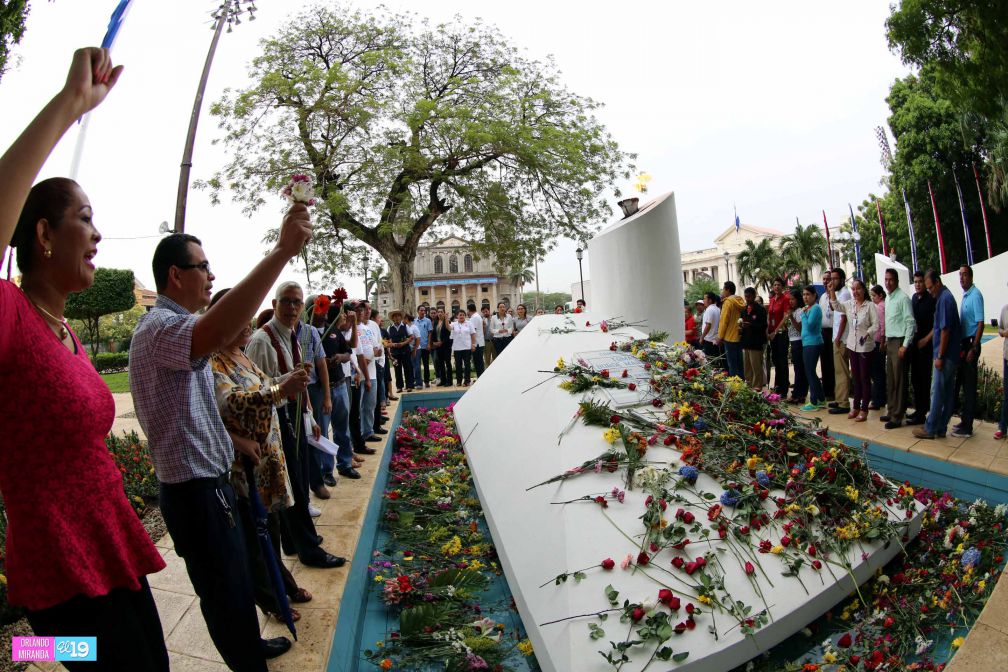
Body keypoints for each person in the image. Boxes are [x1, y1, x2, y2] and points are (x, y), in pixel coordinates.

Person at [0, 47, 170, 672]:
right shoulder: (11, 318)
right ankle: (19, 649)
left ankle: (20, 650)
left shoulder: (64, 331)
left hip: (110, 549)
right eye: (85, 219)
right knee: (107, 662)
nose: (99, 235)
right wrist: (69, 107)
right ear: (42, 237)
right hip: (62, 572)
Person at [132, 217, 313, 666]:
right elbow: (220, 331)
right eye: (204, 267)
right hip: (194, 492)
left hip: (214, 483)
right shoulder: (161, 328)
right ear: (176, 275)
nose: (212, 276)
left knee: (236, 581)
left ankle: (250, 647)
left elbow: (205, 410)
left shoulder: (177, 327)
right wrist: (281, 252)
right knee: (225, 593)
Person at [208, 288, 313, 624]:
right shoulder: (214, 361)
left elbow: (265, 385)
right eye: (241, 317)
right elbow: (231, 401)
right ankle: (271, 600)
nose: (248, 325)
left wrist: (289, 379)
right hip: (246, 468)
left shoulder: (242, 354)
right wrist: (280, 389)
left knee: (273, 528)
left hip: (269, 460)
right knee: (256, 536)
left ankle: (285, 584)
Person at [243, 282, 347, 564]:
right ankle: (309, 549)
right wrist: (286, 386)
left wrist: (308, 414)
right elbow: (254, 392)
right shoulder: (263, 342)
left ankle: (294, 541)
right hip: (275, 418)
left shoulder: (293, 336)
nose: (292, 308)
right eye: (286, 302)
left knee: (296, 480)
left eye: (297, 302)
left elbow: (298, 381)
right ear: (274, 304)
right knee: (296, 485)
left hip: (294, 414)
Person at [913, 269, 961, 440]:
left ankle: (931, 428)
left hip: (945, 356)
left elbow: (945, 330)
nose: (929, 291)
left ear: (938, 283)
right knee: (947, 393)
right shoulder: (943, 297)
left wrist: (940, 356)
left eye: (931, 287)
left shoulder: (945, 299)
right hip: (950, 355)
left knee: (937, 393)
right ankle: (940, 427)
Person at [321, 303, 361, 479]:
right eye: (342, 314)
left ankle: (344, 464)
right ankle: (326, 471)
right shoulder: (314, 333)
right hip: (321, 390)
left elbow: (348, 352)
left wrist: (340, 357)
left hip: (339, 384)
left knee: (342, 428)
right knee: (322, 432)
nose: (345, 316)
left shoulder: (336, 333)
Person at [829, 277, 876, 422]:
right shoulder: (849, 304)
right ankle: (855, 407)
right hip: (852, 345)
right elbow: (836, 306)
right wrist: (831, 291)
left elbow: (876, 325)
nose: (855, 291)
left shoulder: (869, 306)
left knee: (864, 378)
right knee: (855, 378)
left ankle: (864, 409)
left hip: (865, 347)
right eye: (853, 289)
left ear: (863, 290)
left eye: (858, 288)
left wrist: (867, 333)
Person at [302, 299, 332, 501]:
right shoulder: (275, 333)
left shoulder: (309, 331)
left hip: (313, 389)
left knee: (316, 434)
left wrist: (327, 396)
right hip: (291, 390)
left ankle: (318, 481)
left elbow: (321, 365)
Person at [880, 269, 915, 429]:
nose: (888, 282)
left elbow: (910, 323)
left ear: (897, 281)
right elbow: (890, 321)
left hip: (900, 342)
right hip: (891, 341)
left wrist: (905, 345)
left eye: (891, 280)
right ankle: (891, 409)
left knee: (900, 380)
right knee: (891, 379)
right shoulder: (888, 298)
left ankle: (897, 416)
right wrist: (887, 339)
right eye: (886, 279)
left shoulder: (903, 298)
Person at [952, 265, 984, 438]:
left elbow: (980, 323)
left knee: (970, 387)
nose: (962, 278)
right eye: (960, 275)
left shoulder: (975, 295)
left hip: (971, 343)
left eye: (964, 275)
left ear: (971, 277)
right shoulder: (965, 296)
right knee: (963, 384)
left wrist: (974, 347)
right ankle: (964, 421)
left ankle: (968, 427)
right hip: (964, 344)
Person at [907, 270, 936, 426]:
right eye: (916, 282)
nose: (918, 284)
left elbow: (936, 324)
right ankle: (918, 411)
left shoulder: (931, 300)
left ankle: (923, 413)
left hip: (926, 346)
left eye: (920, 282)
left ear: (925, 283)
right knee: (915, 380)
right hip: (914, 346)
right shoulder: (913, 299)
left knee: (924, 381)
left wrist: (926, 339)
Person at [827, 268, 853, 415]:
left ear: (842, 279)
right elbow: (833, 306)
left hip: (841, 338)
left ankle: (844, 403)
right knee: (838, 370)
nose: (832, 281)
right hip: (837, 337)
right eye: (831, 278)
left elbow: (843, 317)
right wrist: (831, 291)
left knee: (842, 370)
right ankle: (839, 398)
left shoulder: (845, 293)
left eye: (835, 278)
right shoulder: (838, 293)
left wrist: (837, 337)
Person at [799, 285, 826, 411]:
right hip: (807, 343)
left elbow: (809, 326)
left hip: (813, 343)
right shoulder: (808, 309)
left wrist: (803, 314)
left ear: (814, 295)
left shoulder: (815, 308)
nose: (805, 297)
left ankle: (814, 401)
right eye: (804, 294)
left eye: (808, 294)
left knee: (810, 372)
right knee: (810, 372)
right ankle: (821, 399)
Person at [715, 281, 746, 378]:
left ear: (727, 290)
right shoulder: (740, 301)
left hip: (729, 337)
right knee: (740, 364)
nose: (722, 292)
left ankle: (735, 389)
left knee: (732, 365)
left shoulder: (728, 302)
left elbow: (724, 321)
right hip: (739, 336)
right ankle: (742, 386)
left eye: (723, 289)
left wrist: (719, 337)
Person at [740, 287, 768, 390]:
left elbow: (763, 325)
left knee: (756, 366)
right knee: (747, 367)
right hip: (746, 342)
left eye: (749, 297)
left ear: (754, 296)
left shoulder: (760, 310)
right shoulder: (743, 310)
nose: (747, 299)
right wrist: (741, 326)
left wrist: (751, 325)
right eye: (746, 297)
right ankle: (748, 385)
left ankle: (757, 387)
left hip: (756, 343)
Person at [766, 278, 790, 396]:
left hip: (781, 333)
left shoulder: (785, 299)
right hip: (772, 334)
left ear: (783, 286)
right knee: (775, 360)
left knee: (782, 361)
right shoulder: (772, 300)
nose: (776, 287)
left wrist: (775, 331)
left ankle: (784, 388)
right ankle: (777, 386)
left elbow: (786, 316)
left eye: (779, 285)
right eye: (775, 285)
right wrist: (768, 331)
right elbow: (769, 316)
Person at [785, 289, 807, 404]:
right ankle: (800, 393)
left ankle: (798, 393)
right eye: (790, 300)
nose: (791, 302)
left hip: (799, 341)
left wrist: (791, 317)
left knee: (799, 369)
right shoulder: (792, 311)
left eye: (793, 299)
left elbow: (800, 328)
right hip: (793, 341)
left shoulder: (799, 311)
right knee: (797, 368)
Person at [818, 272, 836, 402]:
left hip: (834, 331)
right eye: (824, 279)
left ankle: (835, 391)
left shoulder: (836, 295)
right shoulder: (822, 296)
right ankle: (827, 391)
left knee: (833, 362)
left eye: (828, 279)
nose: (825, 281)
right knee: (824, 362)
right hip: (823, 332)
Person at [869, 285, 887, 410]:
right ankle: (880, 399)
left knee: (876, 372)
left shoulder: (880, 307)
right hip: (878, 342)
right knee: (879, 372)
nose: (873, 298)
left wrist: (881, 341)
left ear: (880, 295)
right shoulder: (883, 306)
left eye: (874, 296)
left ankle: (877, 400)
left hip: (877, 342)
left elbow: (882, 325)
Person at [387, 310, 414, 392]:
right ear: (392, 318)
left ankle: (409, 386)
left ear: (401, 317)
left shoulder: (405, 326)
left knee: (407, 368)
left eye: (398, 316)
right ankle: (399, 387)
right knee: (397, 369)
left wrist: (403, 343)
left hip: (405, 351)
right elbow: (386, 340)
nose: (397, 318)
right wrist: (392, 344)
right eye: (395, 316)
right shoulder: (389, 328)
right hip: (395, 352)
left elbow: (411, 337)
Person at [451, 309, 477, 385]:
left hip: (467, 348)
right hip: (457, 348)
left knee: (467, 365)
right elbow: (448, 328)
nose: (461, 316)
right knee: (458, 365)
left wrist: (473, 345)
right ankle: (459, 381)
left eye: (463, 315)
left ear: (465, 316)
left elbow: (473, 334)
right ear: (457, 316)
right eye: (460, 315)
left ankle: (467, 381)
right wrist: (446, 319)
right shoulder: (454, 324)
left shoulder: (469, 323)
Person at [433, 307, 454, 386]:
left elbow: (448, 333)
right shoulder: (435, 322)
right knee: (440, 364)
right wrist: (434, 343)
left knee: (447, 363)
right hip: (438, 346)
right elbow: (434, 334)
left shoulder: (447, 321)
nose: (440, 313)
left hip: (446, 345)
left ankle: (449, 381)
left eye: (441, 311)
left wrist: (441, 342)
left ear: (444, 313)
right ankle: (443, 380)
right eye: (438, 312)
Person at [700, 292, 722, 364]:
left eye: (704, 298)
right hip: (715, 340)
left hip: (709, 340)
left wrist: (701, 337)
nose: (703, 300)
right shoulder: (717, 309)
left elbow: (708, 325)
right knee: (715, 362)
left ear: (710, 300)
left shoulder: (709, 310)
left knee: (710, 363)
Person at [414, 304, 433, 388]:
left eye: (424, 310)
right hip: (417, 347)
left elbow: (430, 333)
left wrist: (429, 344)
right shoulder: (414, 321)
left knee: (426, 365)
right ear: (418, 311)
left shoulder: (428, 321)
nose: (422, 312)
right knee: (417, 365)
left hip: (425, 346)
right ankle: (418, 382)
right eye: (421, 310)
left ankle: (426, 381)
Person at [996, 300, 1007, 440]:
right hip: (1007, 357)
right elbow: (999, 329)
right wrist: (1003, 332)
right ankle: (1003, 427)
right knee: (1007, 395)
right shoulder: (1005, 309)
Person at [468, 303, 487, 379]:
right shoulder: (477, 316)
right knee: (479, 362)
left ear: (468, 310)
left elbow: (473, 331)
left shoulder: (474, 317)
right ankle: (480, 378)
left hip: (477, 343)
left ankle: (480, 378)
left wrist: (472, 344)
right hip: (479, 342)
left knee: (478, 362)